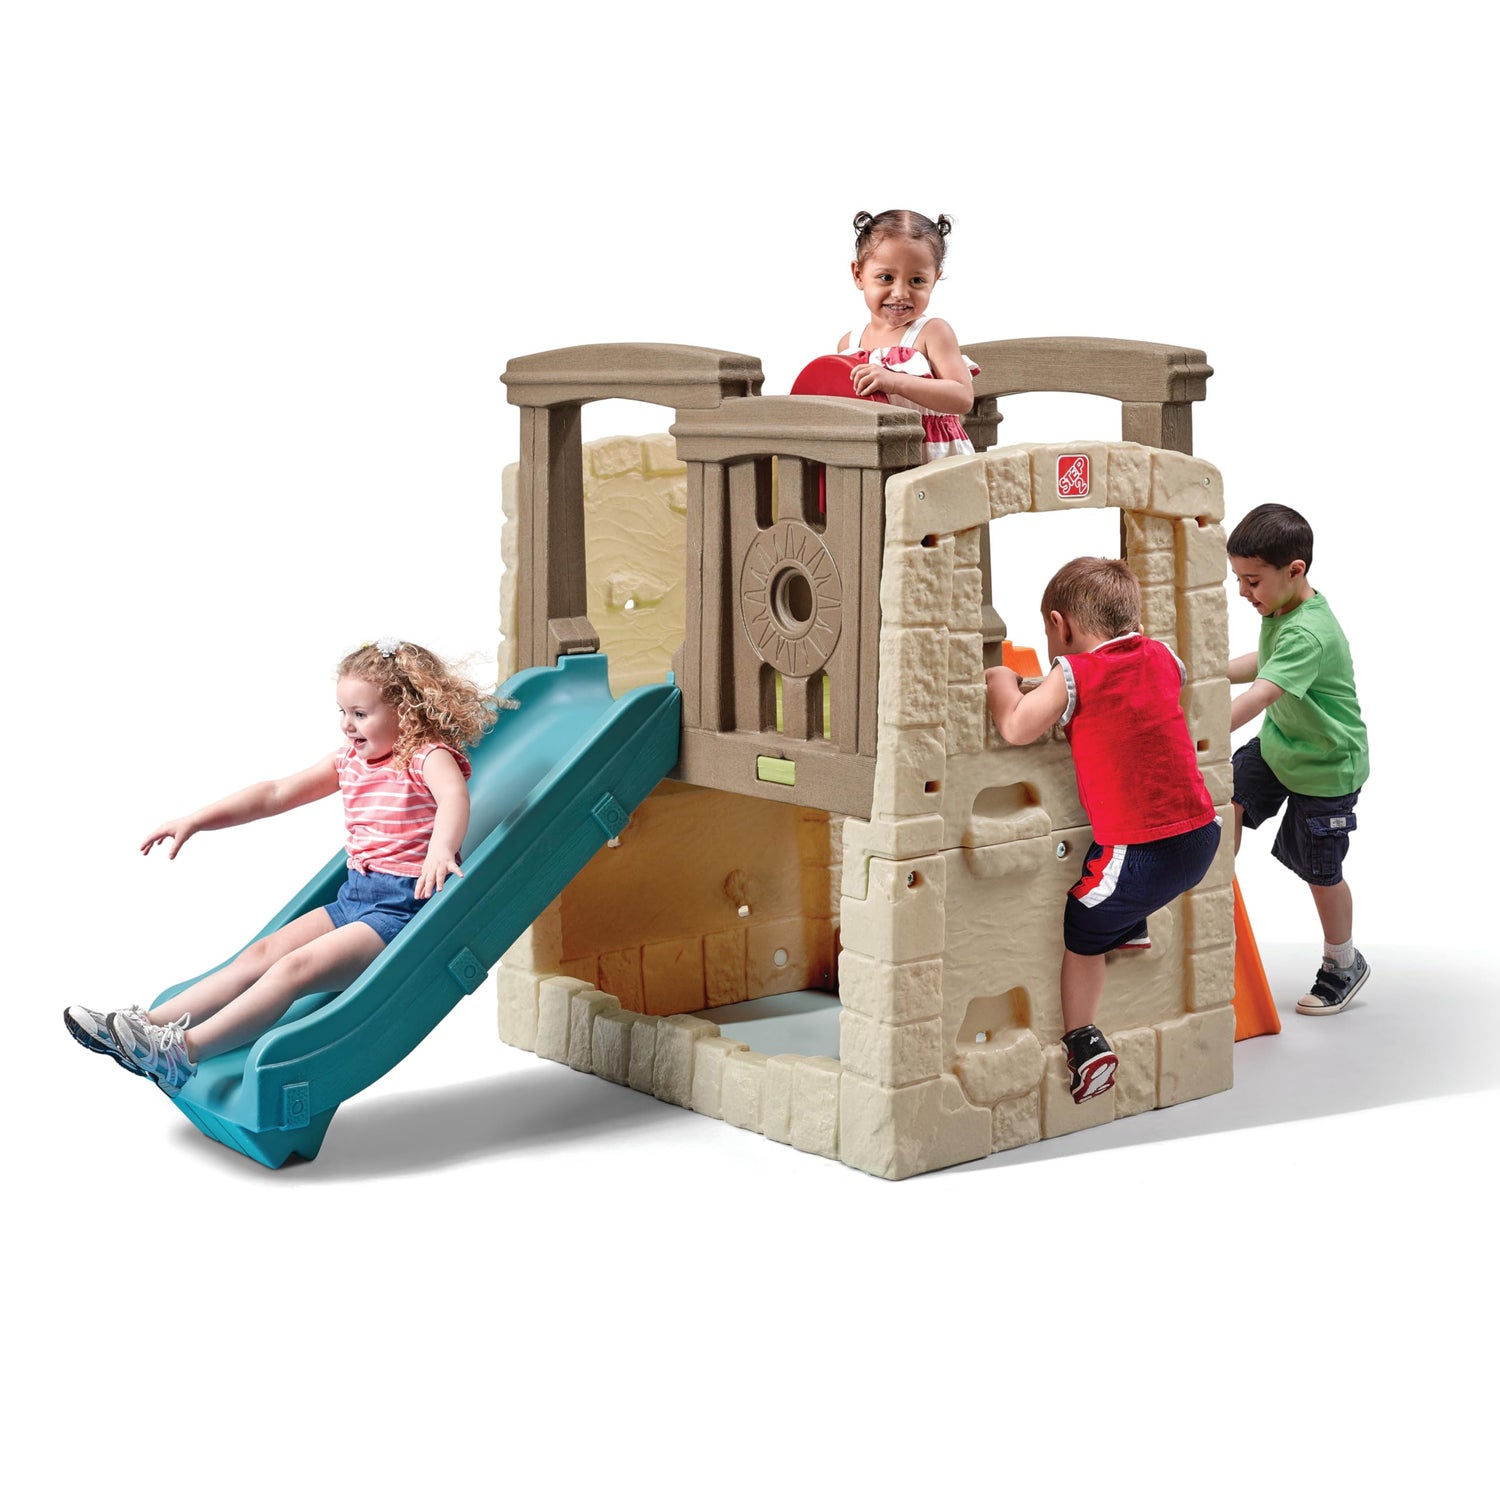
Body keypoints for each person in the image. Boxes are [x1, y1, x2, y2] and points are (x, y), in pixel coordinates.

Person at [64, 638, 504, 1095]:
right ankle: (143, 1027)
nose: (347, 724)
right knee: (259, 955)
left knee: (294, 969)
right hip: (355, 898)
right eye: (342, 712)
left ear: (406, 711)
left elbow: (453, 796)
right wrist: (196, 820)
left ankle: (181, 1053)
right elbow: (274, 793)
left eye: (360, 713)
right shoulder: (348, 761)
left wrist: (441, 849)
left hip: (401, 910)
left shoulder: (426, 756)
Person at [986, 559, 1221, 1102]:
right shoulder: (1164, 658)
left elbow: (1017, 725)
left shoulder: (1074, 672)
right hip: (1202, 835)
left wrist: (1001, 681)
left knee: (1082, 922)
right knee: (1117, 876)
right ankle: (1130, 923)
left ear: (1060, 624)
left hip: (1142, 852)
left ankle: (1083, 1041)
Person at [1227, 503, 1369, 1015]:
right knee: (1225, 797)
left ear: (1294, 570)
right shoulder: (1281, 609)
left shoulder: (1309, 631)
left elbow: (1264, 691)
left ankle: (1343, 962)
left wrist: (1199, 731)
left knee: (1319, 870)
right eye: (1239, 580)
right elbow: (1266, 662)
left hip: (1326, 767)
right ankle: (1214, 890)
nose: (1243, 592)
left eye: (1252, 581)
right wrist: (1209, 671)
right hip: (1280, 746)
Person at [838, 208, 979, 461]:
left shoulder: (931, 332)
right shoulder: (849, 344)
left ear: (934, 279)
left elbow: (962, 397)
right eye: (886, 277)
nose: (901, 293)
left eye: (916, 280)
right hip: (872, 455)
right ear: (858, 275)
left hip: (929, 459)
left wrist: (895, 382)